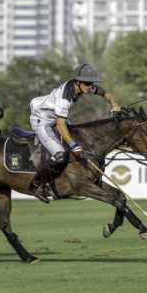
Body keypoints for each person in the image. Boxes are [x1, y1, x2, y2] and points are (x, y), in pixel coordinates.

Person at [28, 63, 121, 202]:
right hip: (42, 120)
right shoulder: (65, 97)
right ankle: (36, 185)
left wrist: (114, 104)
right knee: (60, 155)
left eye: (91, 83)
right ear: (77, 82)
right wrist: (72, 144)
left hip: (55, 117)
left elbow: (104, 93)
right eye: (87, 83)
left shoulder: (84, 86)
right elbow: (60, 124)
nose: (90, 86)